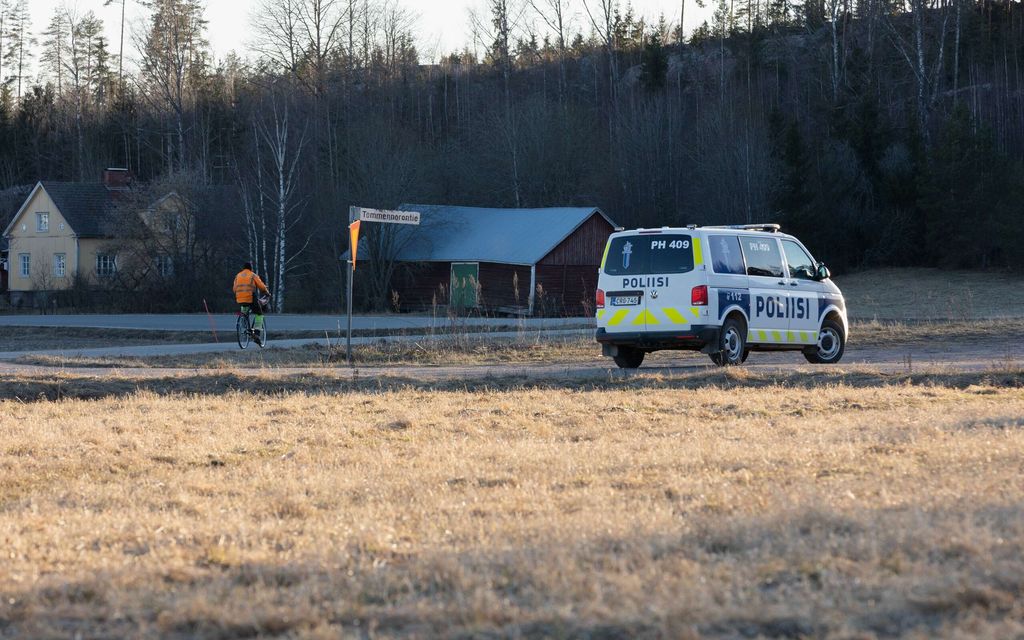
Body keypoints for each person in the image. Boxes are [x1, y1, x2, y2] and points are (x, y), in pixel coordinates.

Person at [233, 262, 271, 339]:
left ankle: (245, 324)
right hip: (250, 298)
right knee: (259, 313)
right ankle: (257, 332)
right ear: (251, 269)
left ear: (243, 268)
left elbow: (234, 289)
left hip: (239, 299)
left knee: (244, 311)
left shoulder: (237, 276)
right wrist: (267, 293)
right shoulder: (253, 275)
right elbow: (262, 287)